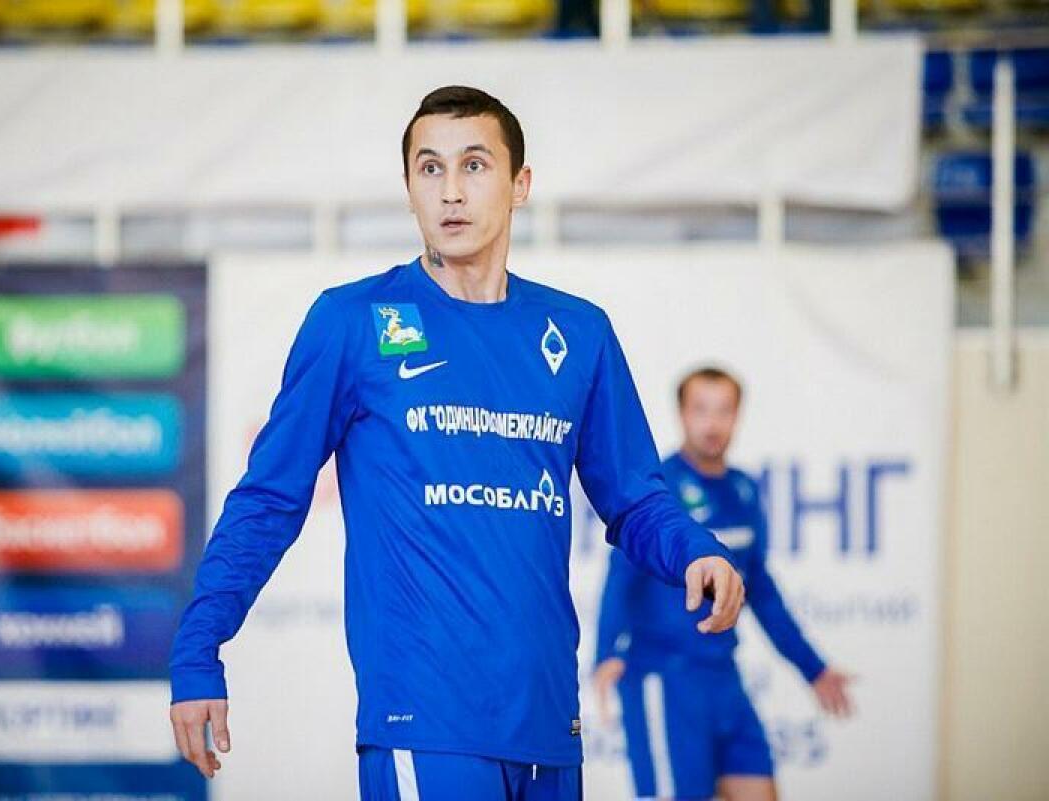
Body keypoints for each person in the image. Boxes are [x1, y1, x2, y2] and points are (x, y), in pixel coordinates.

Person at [168, 85, 746, 800]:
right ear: (409, 188)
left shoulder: (580, 332)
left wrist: (695, 548)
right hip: (426, 724)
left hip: (548, 724)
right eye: (430, 168)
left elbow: (633, 500)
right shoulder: (353, 321)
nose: (450, 191)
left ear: (519, 184)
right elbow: (268, 499)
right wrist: (199, 649)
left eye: (474, 165)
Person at [592, 366, 854, 801]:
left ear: (738, 415)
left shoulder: (743, 490)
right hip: (665, 679)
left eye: (724, 410)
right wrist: (605, 654)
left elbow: (761, 591)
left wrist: (814, 668)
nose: (712, 423)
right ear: (681, 413)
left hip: (725, 679)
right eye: (700, 409)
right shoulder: (657, 491)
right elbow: (619, 577)